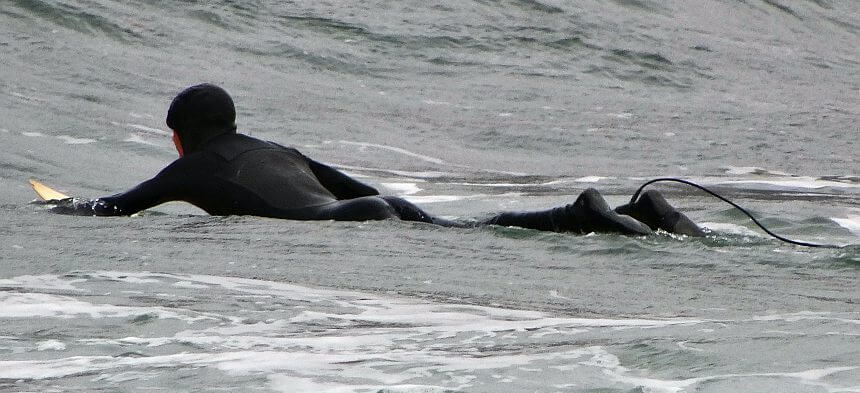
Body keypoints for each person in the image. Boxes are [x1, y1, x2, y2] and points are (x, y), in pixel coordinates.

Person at [51, 83, 704, 237]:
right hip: (374, 206)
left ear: (180, 137)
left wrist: (52, 204)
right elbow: (362, 186)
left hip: (352, 221)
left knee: (476, 238)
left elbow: (115, 207)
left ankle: (592, 212)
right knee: (474, 233)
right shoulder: (277, 149)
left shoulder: (191, 168)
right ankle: (626, 211)